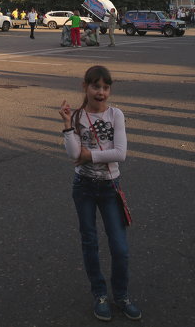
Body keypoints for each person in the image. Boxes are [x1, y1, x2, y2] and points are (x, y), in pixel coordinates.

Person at [59, 65, 141, 322]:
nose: (101, 92)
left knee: (120, 247)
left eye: (106, 87)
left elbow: (120, 153)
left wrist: (89, 155)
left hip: (109, 188)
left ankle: (122, 294)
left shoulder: (116, 114)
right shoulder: (78, 117)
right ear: (85, 87)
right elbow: (73, 155)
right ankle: (100, 295)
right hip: (83, 188)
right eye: (96, 86)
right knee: (90, 242)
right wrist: (66, 125)